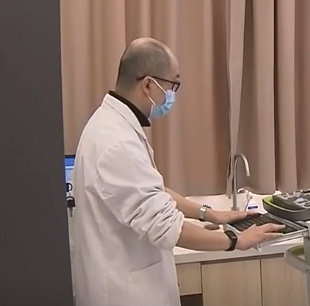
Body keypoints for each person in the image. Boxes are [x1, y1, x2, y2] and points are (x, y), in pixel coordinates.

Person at [70, 37, 284, 306]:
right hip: (124, 294)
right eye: (172, 85)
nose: (172, 95)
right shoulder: (117, 142)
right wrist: (236, 240)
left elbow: (153, 192)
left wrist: (209, 213)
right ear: (149, 84)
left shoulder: (110, 124)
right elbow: (167, 228)